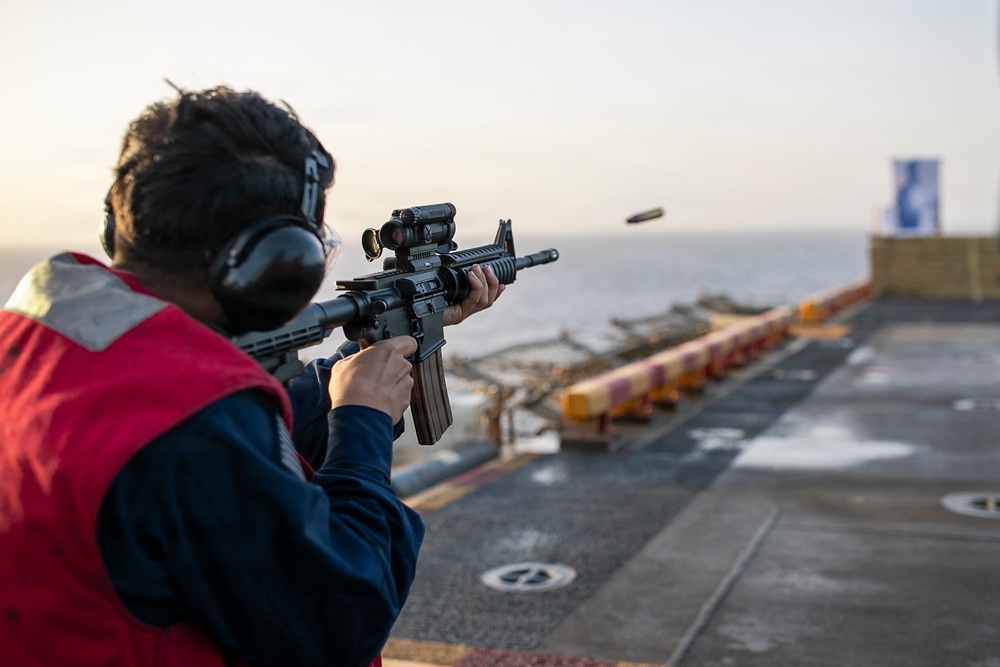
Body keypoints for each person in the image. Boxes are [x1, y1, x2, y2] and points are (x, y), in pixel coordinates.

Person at [0, 85, 504, 667]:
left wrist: (359, 371)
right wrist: (362, 424)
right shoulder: (192, 420)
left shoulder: (41, 339)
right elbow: (341, 619)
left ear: (116, 221)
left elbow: (243, 463)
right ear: (277, 264)